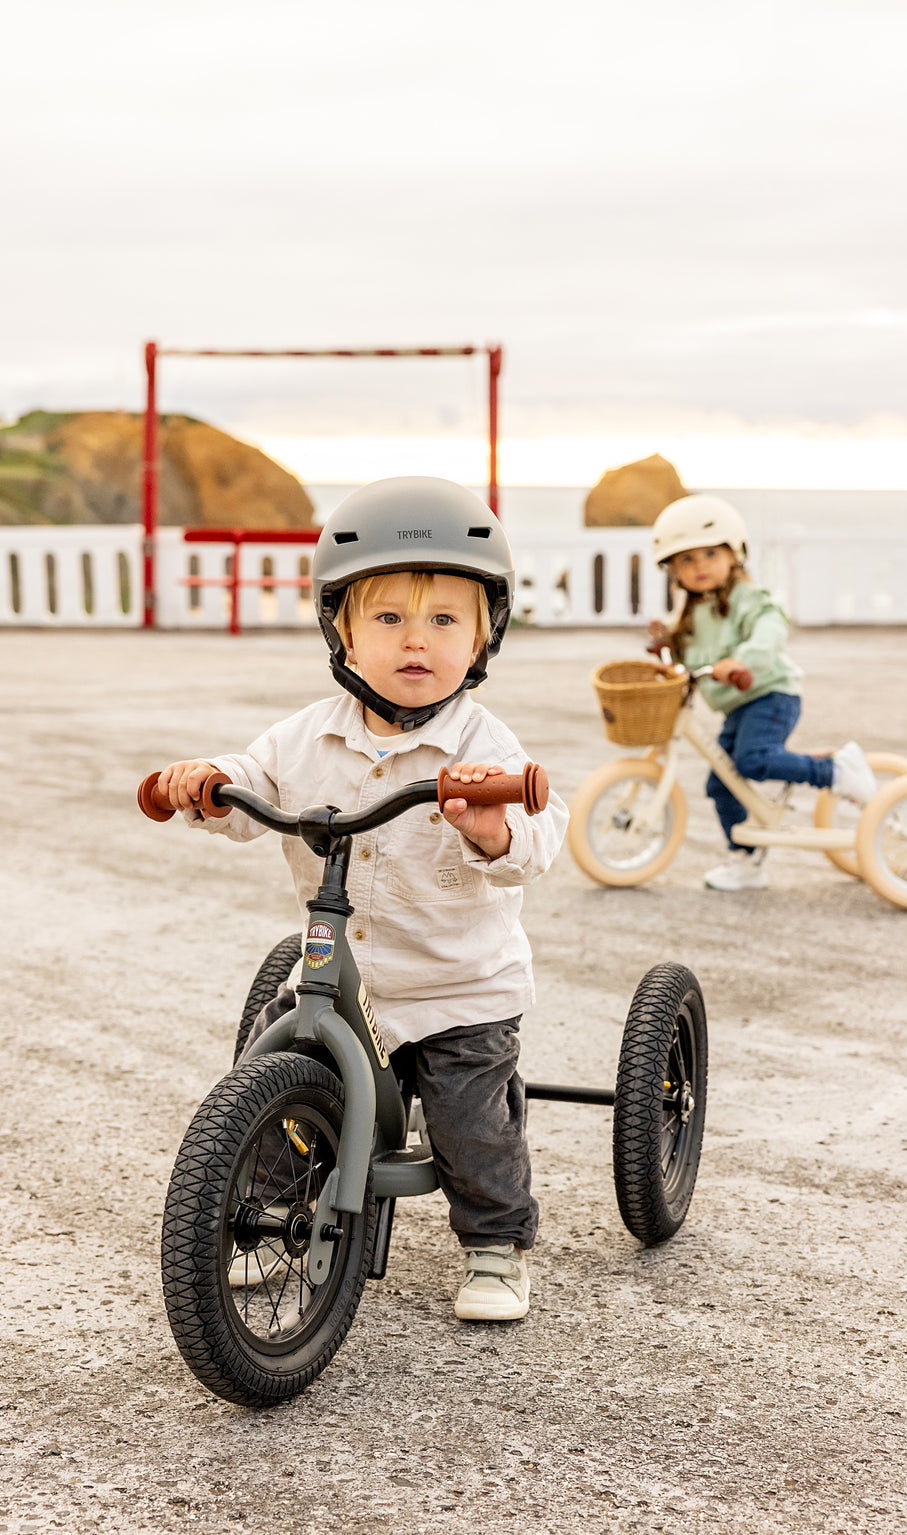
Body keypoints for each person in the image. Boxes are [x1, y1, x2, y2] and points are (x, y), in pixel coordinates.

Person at [154, 477, 568, 1322]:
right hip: (346, 979)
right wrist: (212, 783)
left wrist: (494, 831)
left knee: (468, 1126)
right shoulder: (307, 733)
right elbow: (255, 781)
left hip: (457, 988)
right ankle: (271, 1206)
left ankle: (496, 1242)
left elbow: (541, 833)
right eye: (389, 619)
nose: (416, 640)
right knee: (274, 1071)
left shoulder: (485, 744)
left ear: (485, 635)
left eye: (444, 620)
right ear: (340, 627)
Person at [647, 494, 876, 892]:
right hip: (738, 707)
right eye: (686, 559)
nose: (699, 566)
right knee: (721, 781)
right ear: (673, 570)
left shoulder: (747, 598)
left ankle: (837, 770)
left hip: (772, 695)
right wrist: (665, 642)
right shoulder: (688, 612)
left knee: (752, 760)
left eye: (709, 554)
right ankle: (745, 860)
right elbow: (687, 654)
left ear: (734, 555)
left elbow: (771, 628)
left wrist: (742, 661)